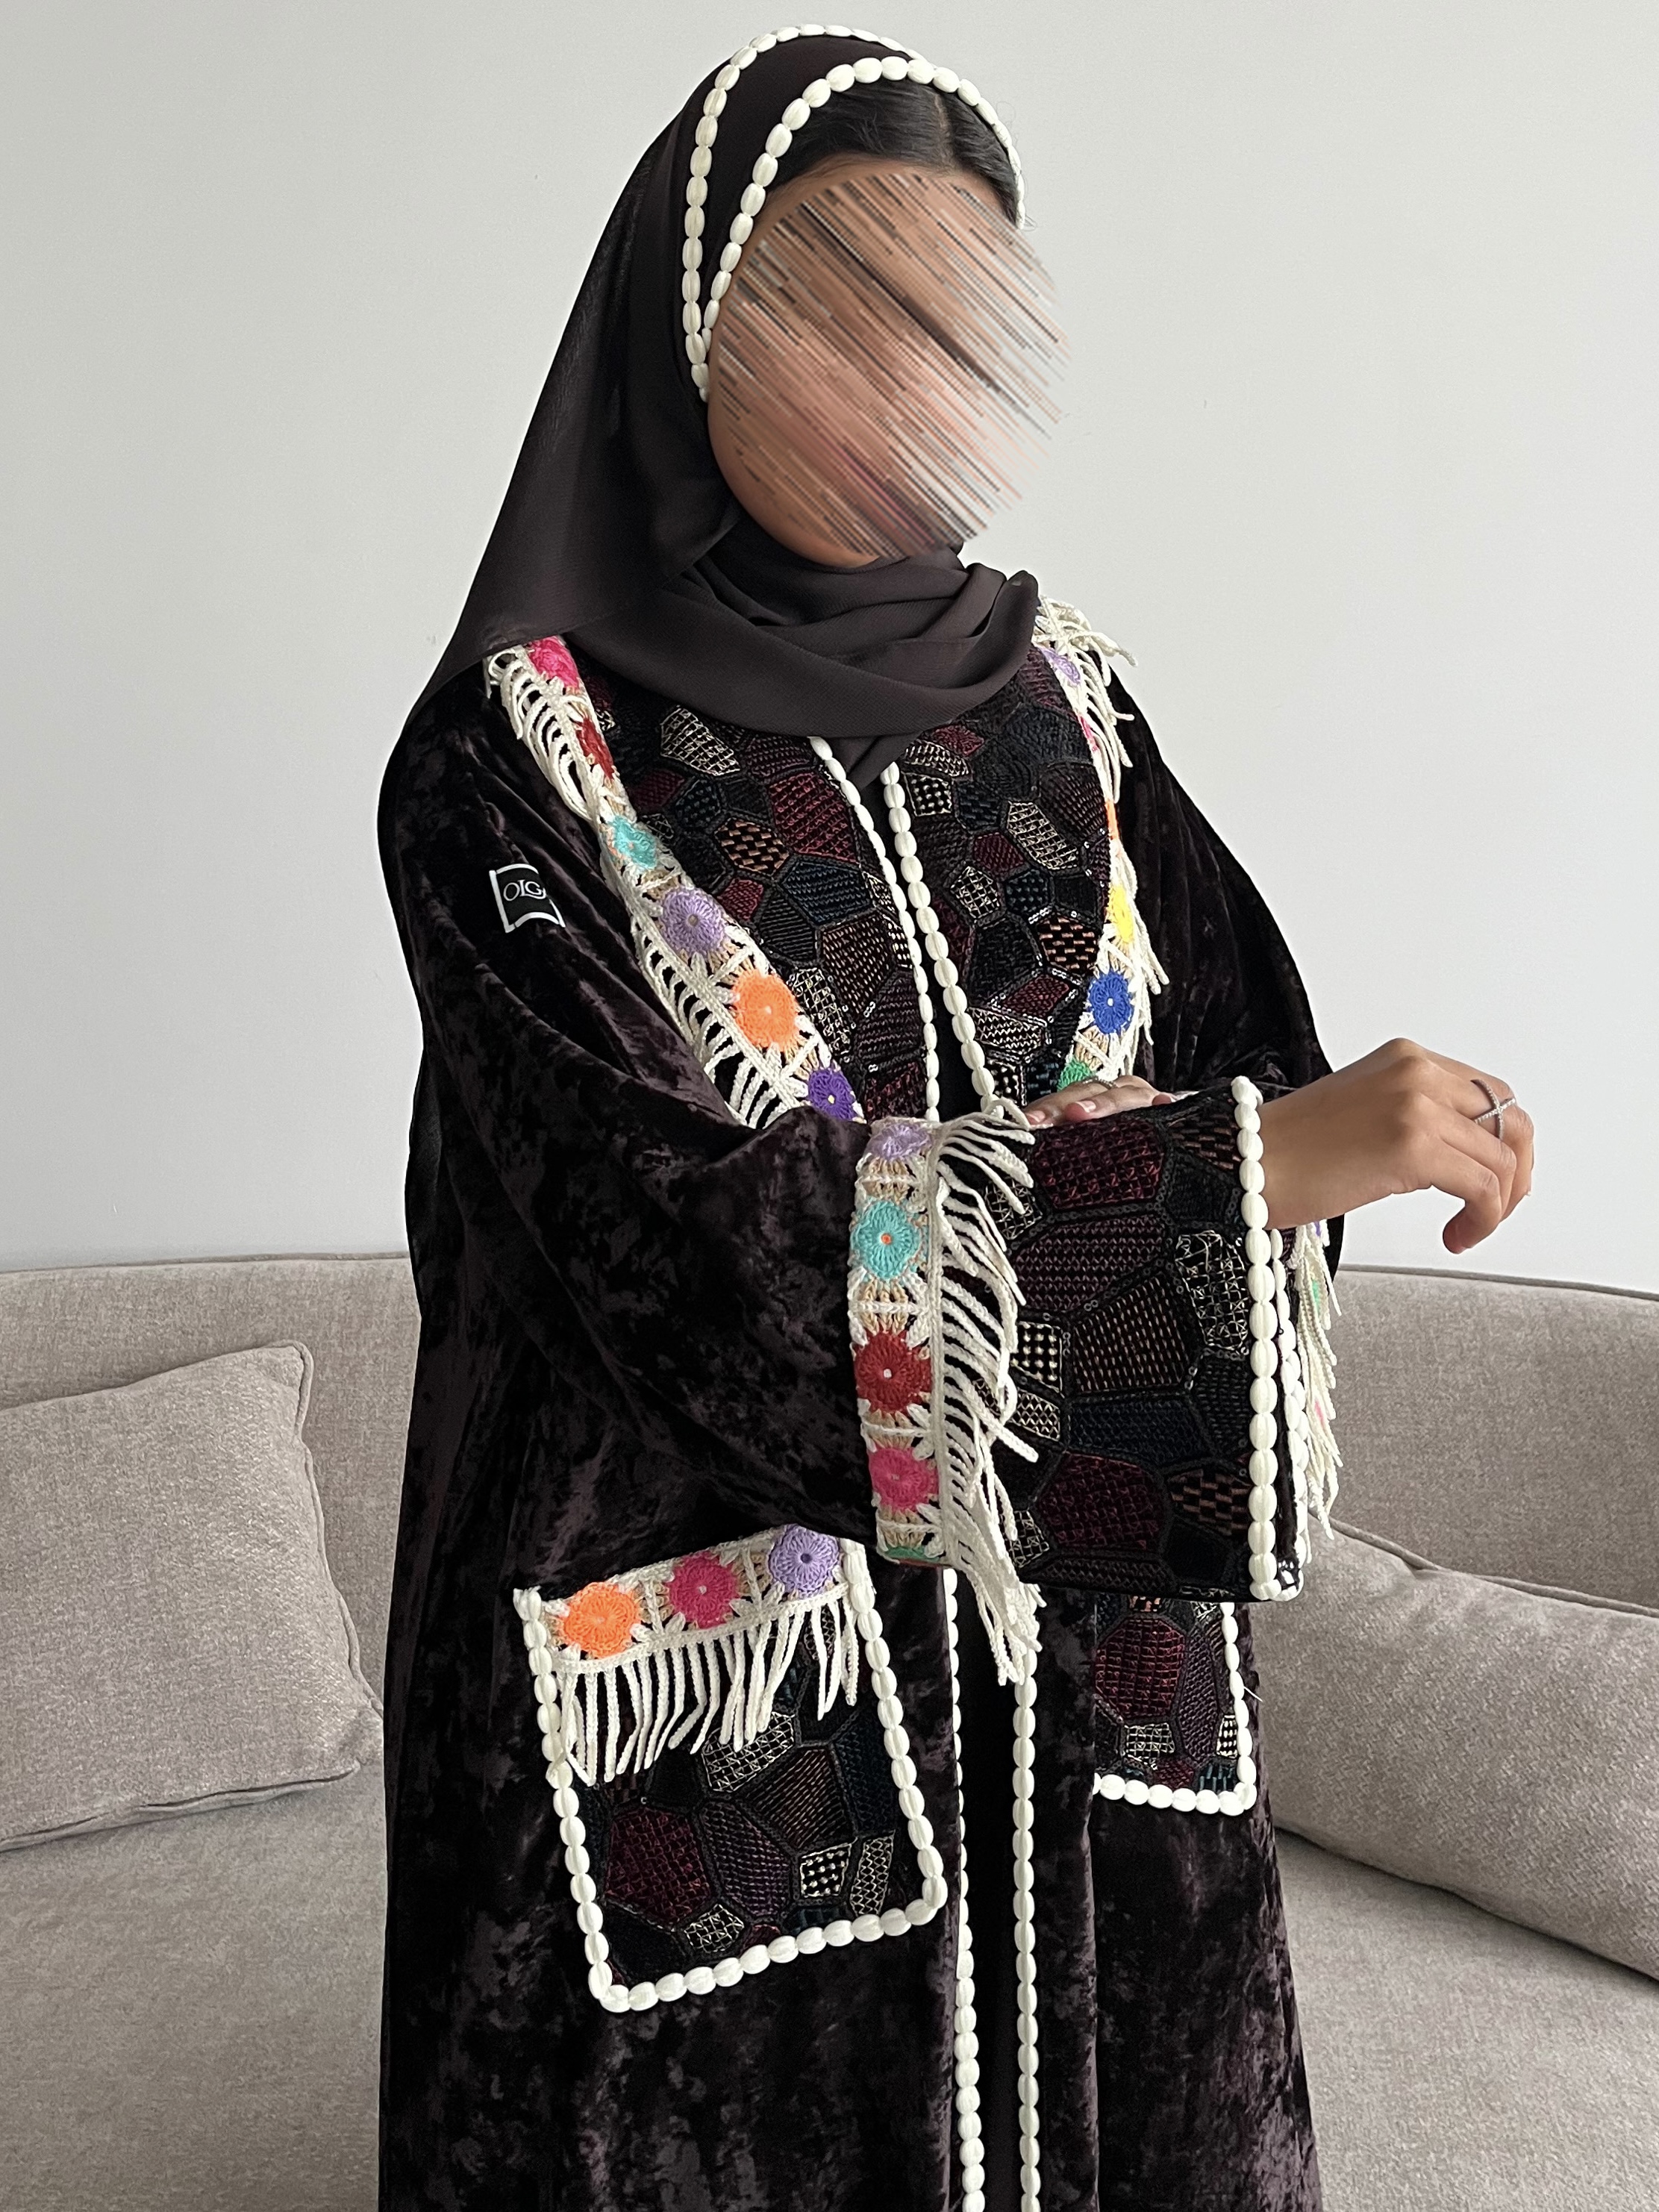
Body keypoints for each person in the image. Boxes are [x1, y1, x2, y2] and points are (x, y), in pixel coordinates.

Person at [377, 27, 1532, 2212]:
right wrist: (1242, 1171)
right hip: (726, 1717)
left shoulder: (1068, 709)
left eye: (965, 321)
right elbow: (676, 1249)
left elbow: (1254, 1080)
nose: (919, 381)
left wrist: (1299, 1159)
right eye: (848, 307)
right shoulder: (516, 771)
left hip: (1087, 1698)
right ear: (686, 323)